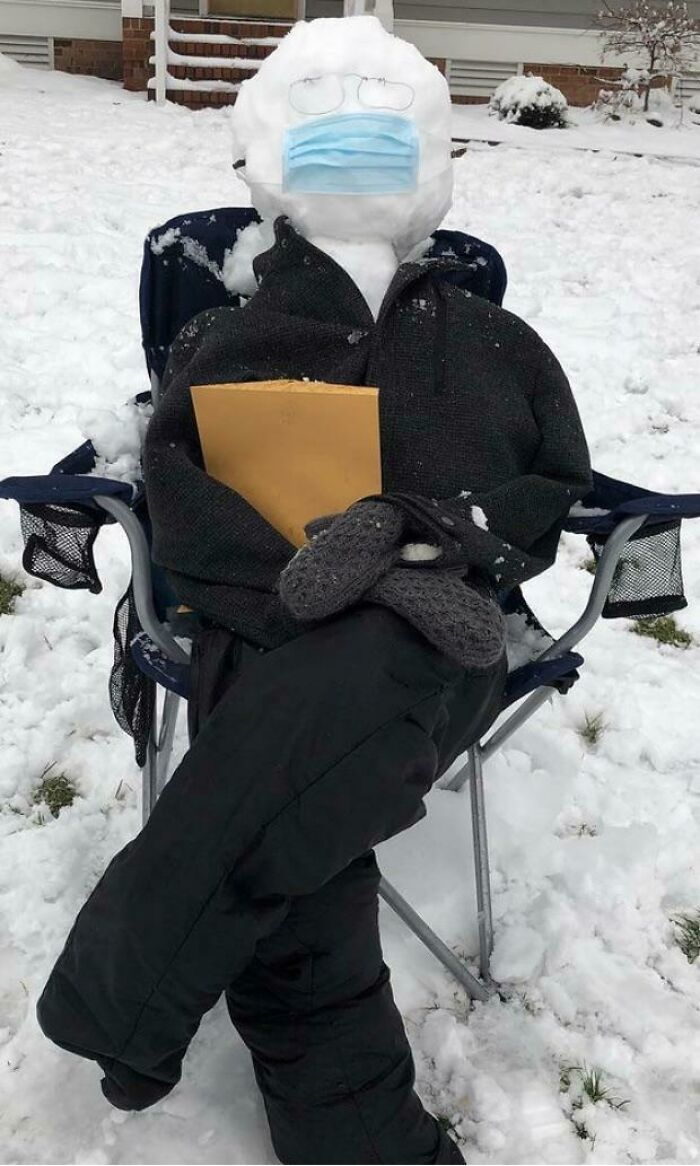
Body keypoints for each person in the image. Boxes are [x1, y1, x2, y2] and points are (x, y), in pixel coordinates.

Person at [36, 16, 592, 1165]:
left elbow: (551, 487)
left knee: (344, 687)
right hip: (263, 628)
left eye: (380, 147)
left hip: (439, 636)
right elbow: (177, 485)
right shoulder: (232, 335)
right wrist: (295, 589)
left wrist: (430, 537)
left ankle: (127, 984)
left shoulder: (496, 343)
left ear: (425, 169)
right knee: (306, 791)